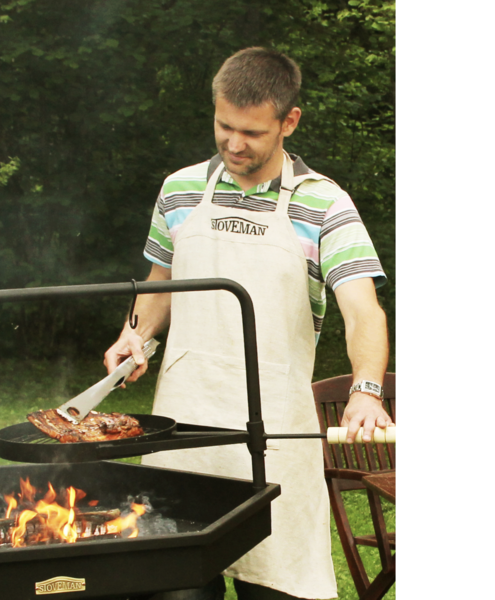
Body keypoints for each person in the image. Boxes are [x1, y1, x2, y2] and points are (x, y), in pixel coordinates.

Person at [104, 47, 393, 600]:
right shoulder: (180, 190)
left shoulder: (325, 205)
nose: (234, 144)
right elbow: (159, 286)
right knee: (176, 589)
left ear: (289, 121)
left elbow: (362, 310)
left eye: (252, 133)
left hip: (274, 435)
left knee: (277, 587)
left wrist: (366, 389)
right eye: (224, 126)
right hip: (183, 431)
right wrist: (134, 334)